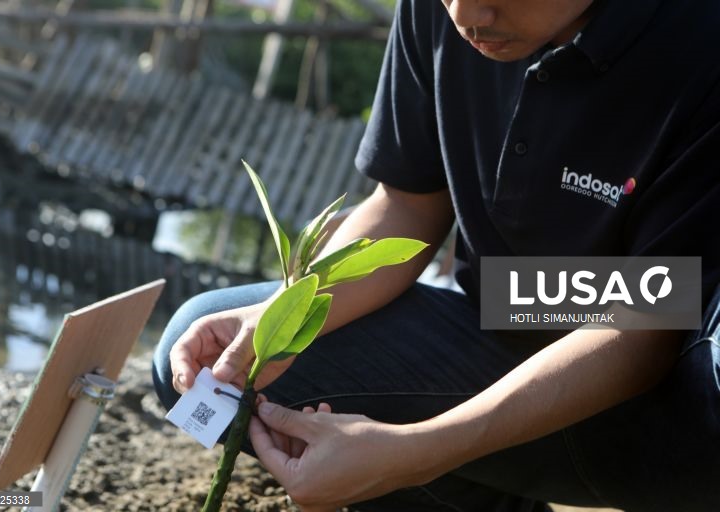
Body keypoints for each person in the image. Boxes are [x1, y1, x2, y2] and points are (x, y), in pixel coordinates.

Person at [152, 0, 720, 510]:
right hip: (515, 311)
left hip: (673, 384)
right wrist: (281, 316)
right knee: (199, 347)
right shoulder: (449, 14)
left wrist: (419, 452)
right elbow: (407, 206)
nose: (467, 16)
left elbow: (650, 320)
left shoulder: (698, 44)